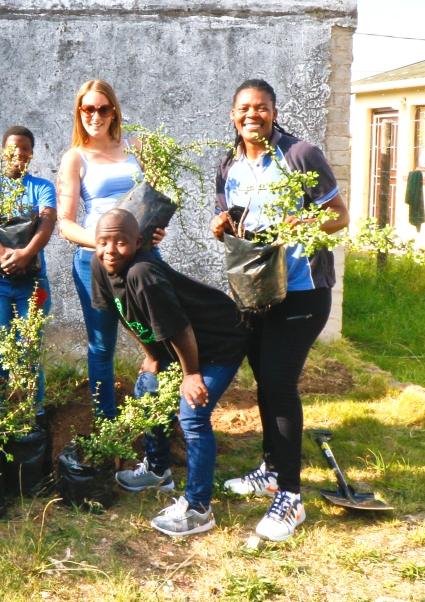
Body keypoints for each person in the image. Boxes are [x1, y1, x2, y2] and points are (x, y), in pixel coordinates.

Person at [211, 79, 349, 541]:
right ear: (234, 115)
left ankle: (290, 496)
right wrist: (221, 224)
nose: (253, 115)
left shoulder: (300, 155)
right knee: (264, 379)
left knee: (278, 380)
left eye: (262, 108)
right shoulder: (229, 163)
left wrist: (306, 221)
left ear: (274, 112)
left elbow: (340, 216)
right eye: (245, 108)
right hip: (255, 291)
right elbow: (232, 216)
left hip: (303, 291)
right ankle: (271, 470)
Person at [92, 210, 249, 537]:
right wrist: (151, 356)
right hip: (182, 344)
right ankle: (158, 470)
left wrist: (190, 375)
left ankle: (199, 508)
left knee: (192, 413)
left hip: (218, 340)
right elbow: (125, 314)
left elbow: (179, 328)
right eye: (103, 241)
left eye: (120, 242)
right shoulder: (100, 266)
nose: (110, 249)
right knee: (146, 393)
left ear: (137, 243)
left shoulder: (142, 273)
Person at [56, 80, 165, 419]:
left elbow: (153, 201)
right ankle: (107, 425)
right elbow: (66, 224)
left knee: (160, 336)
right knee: (102, 345)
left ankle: (152, 417)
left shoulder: (137, 147)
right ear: (79, 113)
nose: (96, 115)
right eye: (88, 109)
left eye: (103, 108)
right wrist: (110, 246)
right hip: (95, 262)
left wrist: (155, 230)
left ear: (114, 111)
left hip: (142, 258)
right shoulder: (74, 158)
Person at [0, 126, 56, 407]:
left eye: (25, 148)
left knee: (29, 353)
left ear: (31, 154)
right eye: (12, 148)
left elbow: (47, 223)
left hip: (33, 283)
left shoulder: (42, 187)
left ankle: (36, 419)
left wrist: (26, 254)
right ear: (2, 151)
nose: (18, 153)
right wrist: (2, 252)